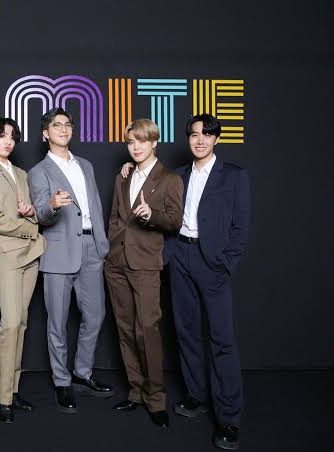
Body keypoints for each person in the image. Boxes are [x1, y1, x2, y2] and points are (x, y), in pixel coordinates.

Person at [168, 114, 249, 449]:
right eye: (194, 135)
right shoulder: (178, 175)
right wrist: (129, 169)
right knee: (186, 332)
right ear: (188, 138)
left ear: (217, 138)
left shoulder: (234, 176)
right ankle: (197, 395)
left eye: (207, 134)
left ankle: (229, 418)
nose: (200, 140)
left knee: (222, 339)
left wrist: (226, 263)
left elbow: (241, 226)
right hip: (180, 257)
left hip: (212, 263)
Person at [28, 107, 114, 414]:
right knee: (58, 322)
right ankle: (61, 381)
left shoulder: (85, 165)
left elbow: (95, 204)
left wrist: (101, 244)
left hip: (91, 248)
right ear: (45, 134)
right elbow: (40, 213)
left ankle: (82, 372)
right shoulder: (38, 172)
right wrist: (52, 205)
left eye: (67, 124)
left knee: (95, 316)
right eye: (56, 125)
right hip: (59, 252)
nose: (63, 129)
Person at [104, 119, 183, 429]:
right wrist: (110, 252)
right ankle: (136, 391)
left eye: (142, 141)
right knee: (124, 329)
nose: (135, 147)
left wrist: (153, 216)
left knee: (146, 329)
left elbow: (175, 220)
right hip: (116, 262)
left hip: (146, 263)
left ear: (154, 143)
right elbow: (115, 217)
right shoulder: (122, 176)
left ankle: (156, 399)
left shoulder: (169, 179)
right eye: (131, 141)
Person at [0, 118, 46, 423]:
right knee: (11, 323)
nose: (8, 141)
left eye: (12, 137)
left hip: (31, 254)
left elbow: (31, 212)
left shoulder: (21, 173)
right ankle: (2, 398)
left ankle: (12, 390)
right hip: (8, 256)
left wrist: (31, 213)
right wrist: (30, 227)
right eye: (1, 136)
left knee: (23, 323)